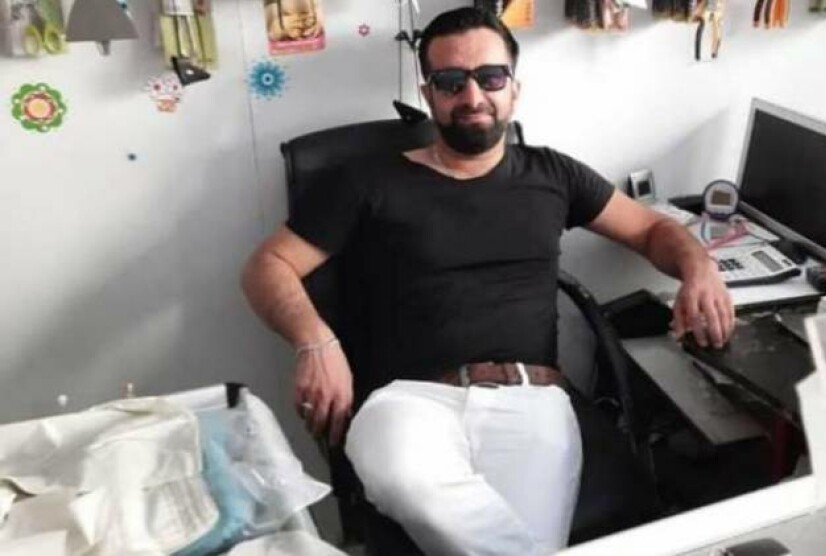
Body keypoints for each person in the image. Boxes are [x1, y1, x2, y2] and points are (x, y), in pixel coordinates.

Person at [240, 7, 734, 555]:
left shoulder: (554, 174)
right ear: (429, 94)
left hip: (532, 400)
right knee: (414, 486)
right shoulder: (367, 182)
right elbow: (269, 265)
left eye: (490, 77)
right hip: (408, 401)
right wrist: (314, 339)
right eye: (451, 81)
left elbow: (653, 229)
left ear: (514, 89)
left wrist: (699, 268)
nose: (472, 96)